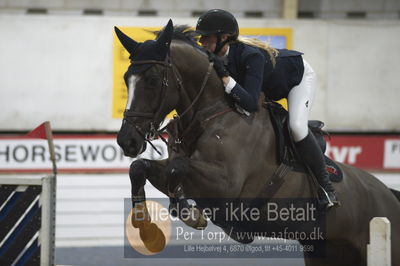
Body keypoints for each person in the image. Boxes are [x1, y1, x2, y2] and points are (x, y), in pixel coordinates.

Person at [195, 9, 337, 208]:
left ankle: (326, 187)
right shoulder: (216, 57)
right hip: (267, 88)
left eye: (206, 37)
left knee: (296, 127)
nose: (202, 42)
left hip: (297, 79)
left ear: (223, 38)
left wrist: (225, 77)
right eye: (201, 38)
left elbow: (251, 103)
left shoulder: (250, 56)